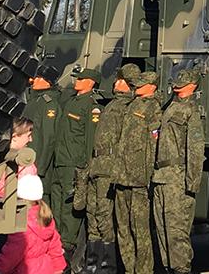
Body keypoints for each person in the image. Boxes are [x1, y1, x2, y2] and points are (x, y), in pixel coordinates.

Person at [78, 64, 137, 274]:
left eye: (121, 80)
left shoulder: (129, 108)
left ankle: (107, 266)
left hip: (109, 168)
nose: (115, 82)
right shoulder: (113, 105)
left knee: (104, 216)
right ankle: (92, 263)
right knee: (92, 214)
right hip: (97, 166)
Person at [153, 65, 206, 274]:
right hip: (161, 176)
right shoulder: (170, 107)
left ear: (192, 86)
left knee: (176, 232)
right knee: (162, 230)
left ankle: (181, 269)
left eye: (183, 83)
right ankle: (169, 268)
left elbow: (195, 148)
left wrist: (191, 182)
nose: (178, 87)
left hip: (177, 178)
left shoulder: (190, 111)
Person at [50, 69, 106, 260]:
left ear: (91, 82)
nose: (78, 81)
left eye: (81, 79)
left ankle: (67, 244)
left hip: (74, 163)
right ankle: (56, 240)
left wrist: (86, 166)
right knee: (56, 203)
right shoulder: (71, 101)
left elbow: (91, 139)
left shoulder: (91, 107)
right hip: (60, 161)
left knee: (69, 206)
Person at [113, 69, 161, 274]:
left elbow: (153, 147)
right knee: (123, 230)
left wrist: (148, 177)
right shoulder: (131, 104)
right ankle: (129, 268)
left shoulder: (154, 109)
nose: (136, 87)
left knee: (140, 231)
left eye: (141, 84)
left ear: (152, 86)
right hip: (121, 176)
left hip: (139, 180)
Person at [0, 172, 67, 274]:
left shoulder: (22, 224)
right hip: (45, 269)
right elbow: (55, 246)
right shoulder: (45, 216)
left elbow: (10, 256)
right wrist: (58, 268)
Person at [0, 117, 36, 269]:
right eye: (28, 135)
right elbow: (30, 196)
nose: (30, 139)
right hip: (11, 222)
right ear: (15, 136)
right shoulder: (23, 162)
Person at [21, 73, 61, 180]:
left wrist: (41, 168)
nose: (34, 80)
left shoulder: (49, 104)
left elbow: (49, 137)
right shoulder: (34, 101)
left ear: (48, 83)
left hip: (37, 161)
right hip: (26, 157)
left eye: (38, 77)